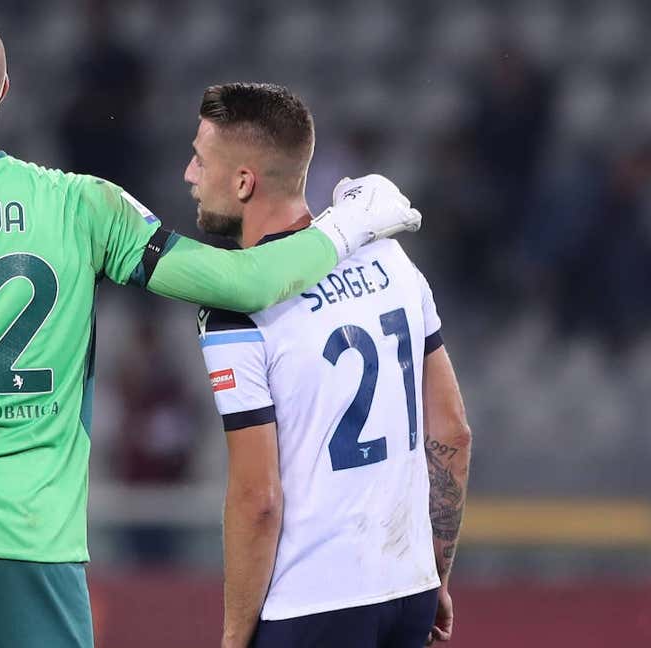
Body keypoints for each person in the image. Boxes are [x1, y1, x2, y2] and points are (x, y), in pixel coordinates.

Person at [0, 11, 421, 648]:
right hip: (38, 541)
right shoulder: (84, 204)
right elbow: (241, 283)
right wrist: (348, 225)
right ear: (3, 91)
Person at [187, 83, 471, 648]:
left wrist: (234, 636)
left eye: (200, 158)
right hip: (406, 590)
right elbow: (453, 433)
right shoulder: (391, 260)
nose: (189, 174)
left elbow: (257, 499)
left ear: (244, 181)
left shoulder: (238, 311)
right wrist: (434, 571)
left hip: (309, 604)